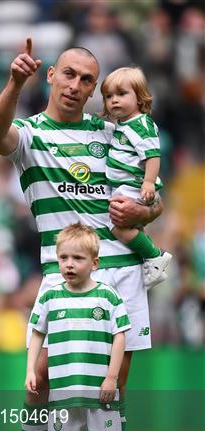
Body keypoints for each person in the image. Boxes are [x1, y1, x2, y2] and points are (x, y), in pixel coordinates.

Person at [0, 39, 163, 431]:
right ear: (51, 76)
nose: (77, 85)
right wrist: (13, 81)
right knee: (39, 382)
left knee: (111, 389)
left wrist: (142, 210)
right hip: (59, 273)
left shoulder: (110, 132)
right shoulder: (30, 133)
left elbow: (153, 200)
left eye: (87, 80)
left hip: (119, 275)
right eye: (69, 74)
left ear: (93, 90)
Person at [26, 223, 143, 431]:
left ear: (94, 263)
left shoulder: (108, 296)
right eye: (63, 258)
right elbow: (38, 333)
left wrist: (111, 377)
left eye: (77, 258)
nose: (68, 264)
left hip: (99, 387)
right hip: (66, 389)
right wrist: (31, 370)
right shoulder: (50, 297)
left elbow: (120, 336)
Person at [101, 66, 172, 288]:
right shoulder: (124, 124)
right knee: (132, 228)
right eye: (109, 96)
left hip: (134, 185)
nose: (114, 100)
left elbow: (152, 155)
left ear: (140, 99)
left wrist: (148, 182)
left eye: (121, 94)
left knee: (116, 226)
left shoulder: (142, 125)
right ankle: (149, 261)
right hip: (126, 185)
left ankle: (155, 256)